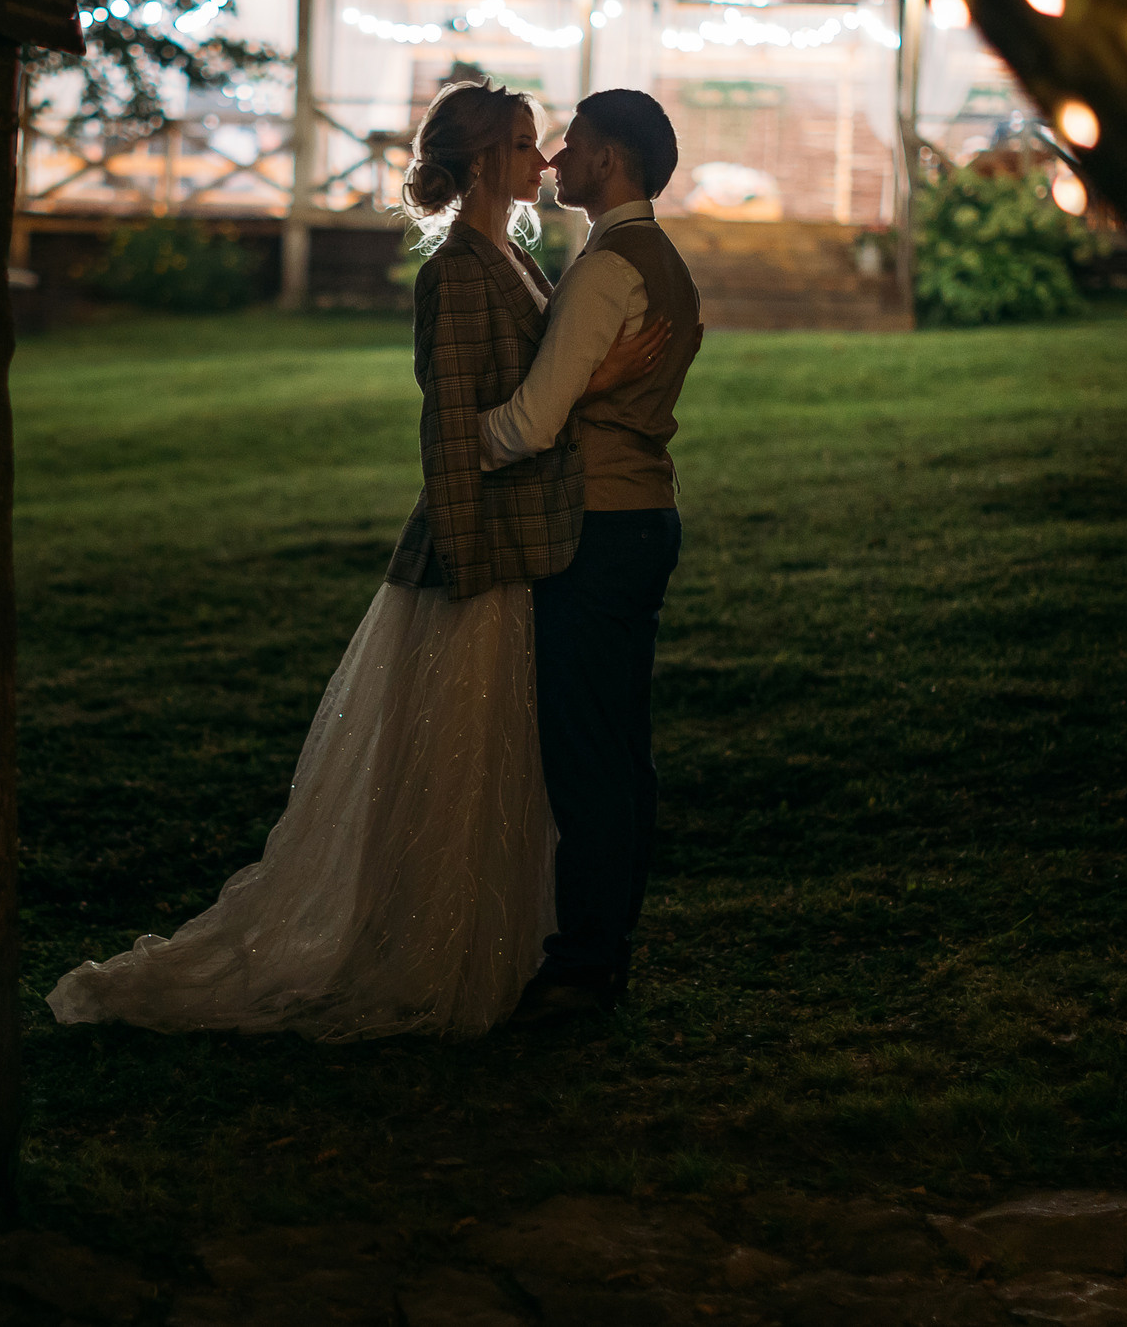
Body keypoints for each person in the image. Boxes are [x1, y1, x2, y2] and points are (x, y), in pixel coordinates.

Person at [45, 82, 657, 1041]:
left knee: (501, 774)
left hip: (523, 552)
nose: (543, 160)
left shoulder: (514, 256)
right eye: (527, 144)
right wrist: (469, 563)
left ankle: (503, 949)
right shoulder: (459, 271)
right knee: (451, 777)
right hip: (479, 557)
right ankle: (431, 953)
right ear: (487, 162)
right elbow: (450, 433)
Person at [486, 89, 701, 1026]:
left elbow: (532, 421)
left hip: (602, 526)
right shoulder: (654, 259)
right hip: (639, 515)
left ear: (609, 158)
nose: (557, 160)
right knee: (617, 751)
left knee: (588, 758)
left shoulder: (614, 266)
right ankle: (601, 952)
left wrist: (469, 437)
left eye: (571, 144)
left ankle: (582, 966)